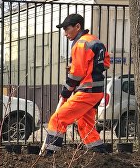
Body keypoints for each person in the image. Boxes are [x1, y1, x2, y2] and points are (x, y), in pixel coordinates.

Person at [44, 13, 110, 156]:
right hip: (96, 90)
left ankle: (49, 154)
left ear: (78, 26)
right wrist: (89, 69)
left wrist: (65, 92)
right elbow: (105, 63)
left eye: (67, 29)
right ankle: (99, 154)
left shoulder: (80, 44)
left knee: (58, 118)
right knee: (85, 123)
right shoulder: (95, 41)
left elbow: (77, 74)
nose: (65, 34)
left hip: (87, 90)